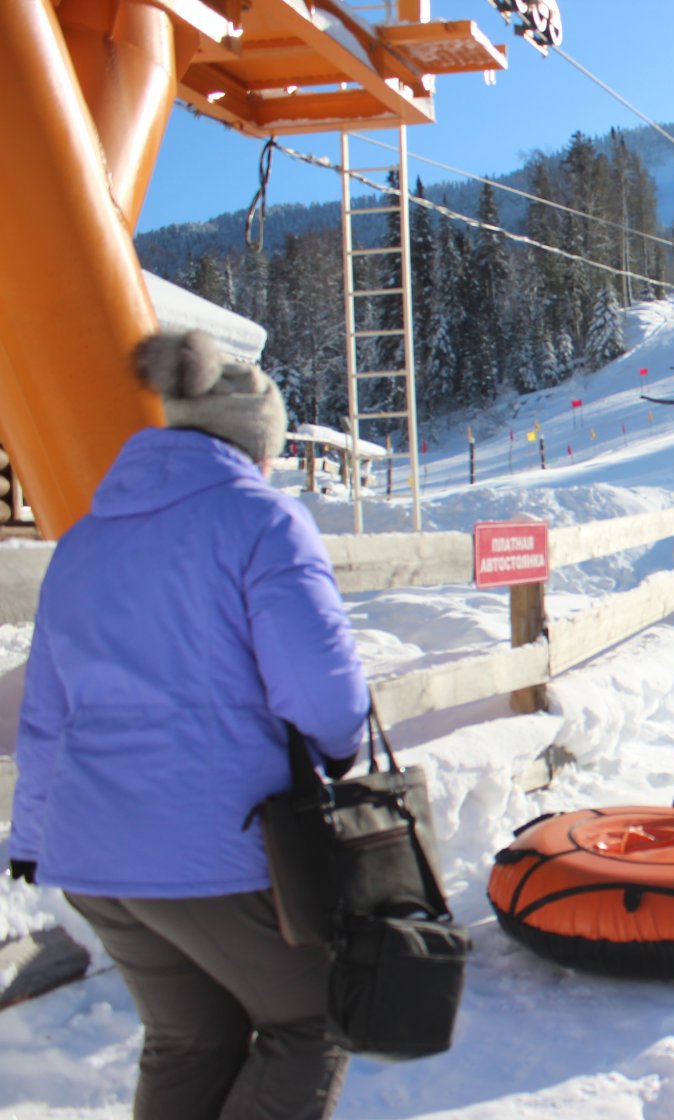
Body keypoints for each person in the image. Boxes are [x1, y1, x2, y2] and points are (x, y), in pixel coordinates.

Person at [9, 329, 370, 1120]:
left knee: (191, 1037)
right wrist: (339, 748)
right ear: (256, 445)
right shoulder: (262, 523)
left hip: (93, 859)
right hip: (215, 855)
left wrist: (31, 841)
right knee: (315, 1016)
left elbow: (46, 720)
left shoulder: (83, 544)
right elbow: (323, 692)